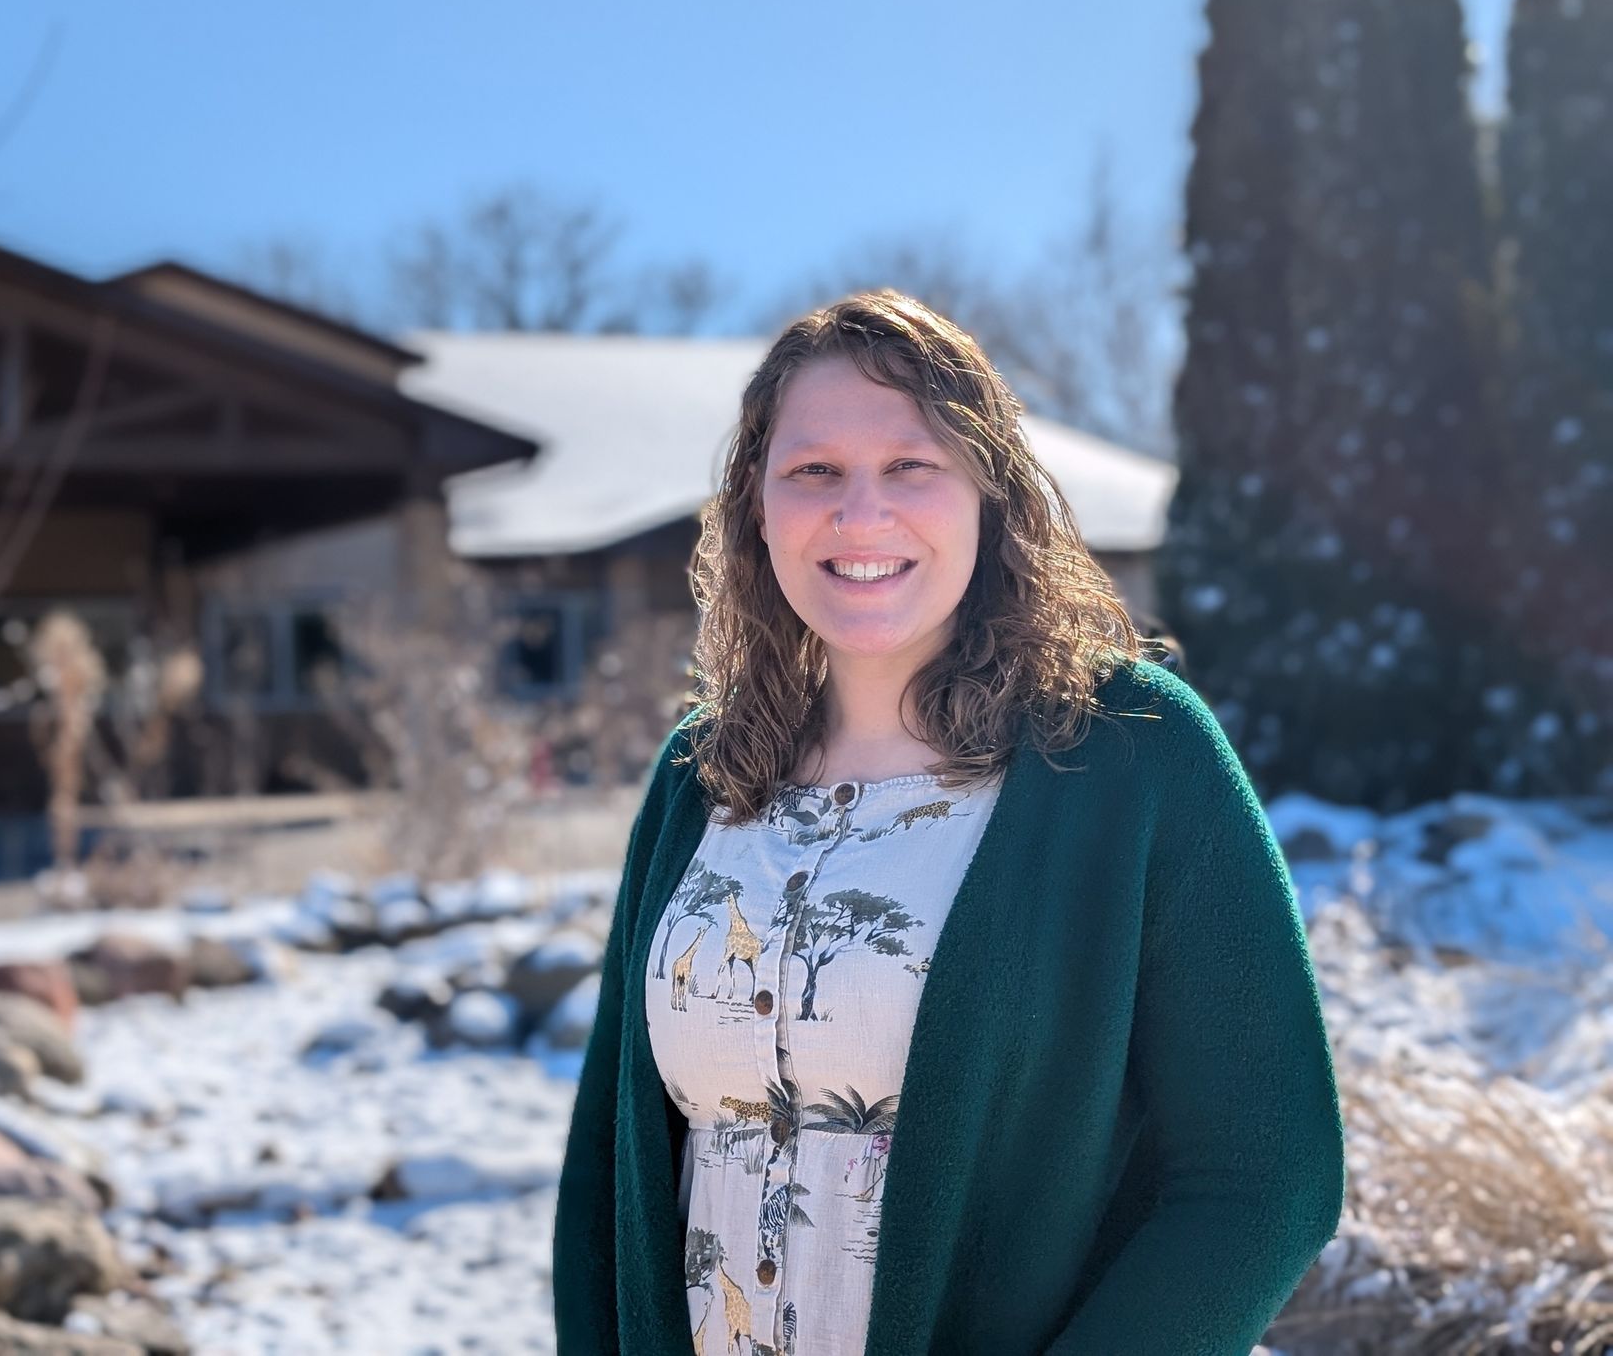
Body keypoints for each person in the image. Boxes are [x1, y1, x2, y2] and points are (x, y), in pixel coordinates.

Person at [552, 290, 1345, 1355]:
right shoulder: (702, 773)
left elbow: (1266, 1178)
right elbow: (608, 1163)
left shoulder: (1131, 754)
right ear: (755, 508)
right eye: (813, 470)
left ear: (989, 495)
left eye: (911, 465)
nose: (860, 513)